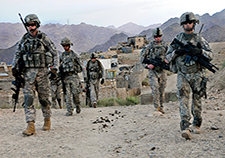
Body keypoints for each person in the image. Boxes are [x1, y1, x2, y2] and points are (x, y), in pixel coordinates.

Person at [166, 12, 213, 140]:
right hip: (183, 74)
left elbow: (210, 55)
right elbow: (167, 57)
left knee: (197, 101)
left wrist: (200, 51)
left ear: (194, 23)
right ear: (182, 25)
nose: (188, 25)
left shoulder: (199, 39)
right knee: (183, 100)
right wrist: (177, 52)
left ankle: (196, 124)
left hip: (197, 74)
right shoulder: (178, 39)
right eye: (185, 23)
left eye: (190, 22)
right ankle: (185, 127)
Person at [11, 14, 59, 136]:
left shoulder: (44, 38)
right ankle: (30, 125)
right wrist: (14, 68)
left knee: (44, 99)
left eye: (33, 25)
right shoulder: (24, 39)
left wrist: (55, 69)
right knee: (28, 99)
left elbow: (55, 53)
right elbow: (17, 54)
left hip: (42, 73)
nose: (30, 27)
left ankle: (47, 119)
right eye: (28, 25)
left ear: (37, 25)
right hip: (28, 74)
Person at [141, 28, 168, 114]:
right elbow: (142, 58)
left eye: (159, 36)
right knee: (155, 89)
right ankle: (157, 107)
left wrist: (167, 61)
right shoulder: (149, 46)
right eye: (156, 36)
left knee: (162, 90)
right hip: (153, 71)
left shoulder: (165, 46)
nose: (157, 38)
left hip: (162, 71)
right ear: (153, 37)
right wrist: (147, 65)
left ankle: (162, 106)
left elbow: (170, 56)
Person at [59, 37, 83, 116]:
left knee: (75, 94)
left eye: (66, 45)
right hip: (65, 78)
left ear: (69, 45)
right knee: (67, 95)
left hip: (74, 77)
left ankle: (77, 105)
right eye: (64, 46)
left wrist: (83, 76)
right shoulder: (62, 56)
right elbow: (58, 66)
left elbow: (81, 65)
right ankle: (69, 110)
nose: (65, 47)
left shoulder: (74, 55)